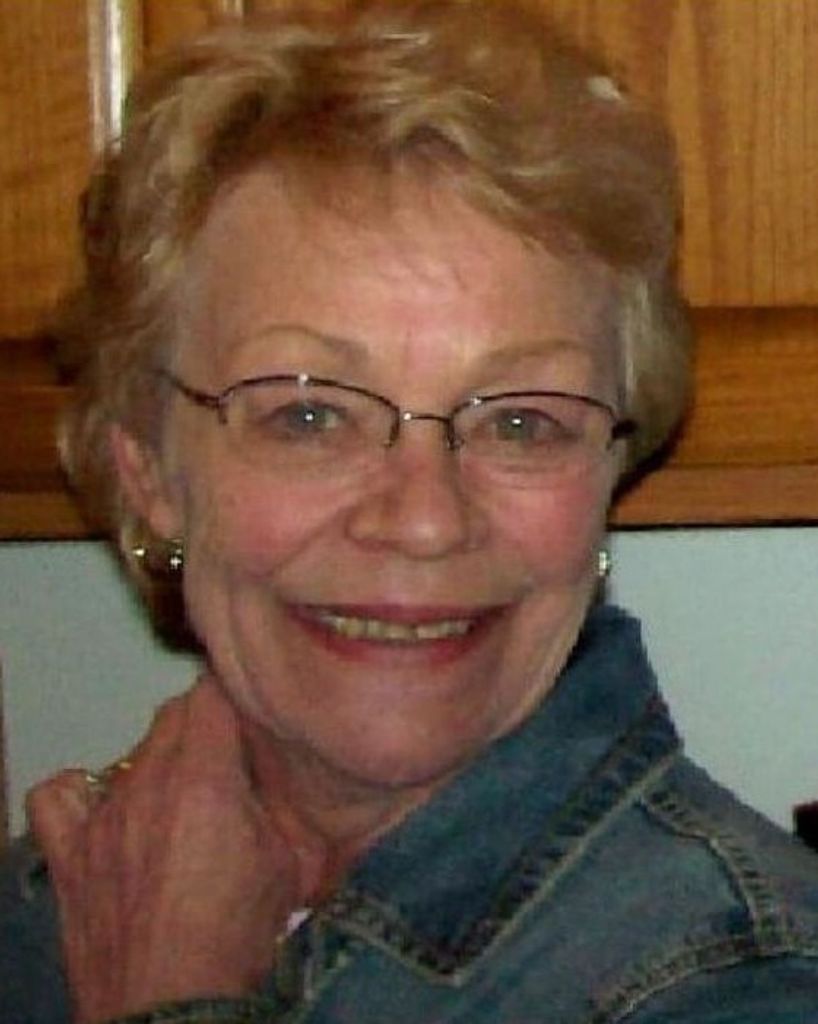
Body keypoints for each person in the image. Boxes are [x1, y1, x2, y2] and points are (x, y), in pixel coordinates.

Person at [2, 1, 817, 1021]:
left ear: (611, 465)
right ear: (149, 472)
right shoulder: (53, 912)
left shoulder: (737, 976)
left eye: (520, 421)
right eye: (308, 415)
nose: (424, 520)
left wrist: (168, 1003)